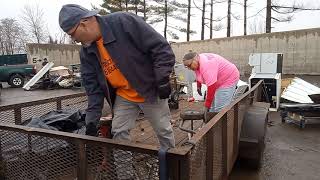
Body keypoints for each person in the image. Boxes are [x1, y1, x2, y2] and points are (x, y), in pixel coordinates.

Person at [58, 4, 175, 150]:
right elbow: (92, 87)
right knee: (118, 133)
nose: (75, 40)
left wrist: (162, 79)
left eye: (72, 35)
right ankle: (124, 173)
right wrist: (92, 120)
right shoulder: (87, 52)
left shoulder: (123, 22)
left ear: (83, 23)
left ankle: (172, 168)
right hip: (124, 95)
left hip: (148, 89)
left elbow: (161, 48)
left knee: (163, 131)